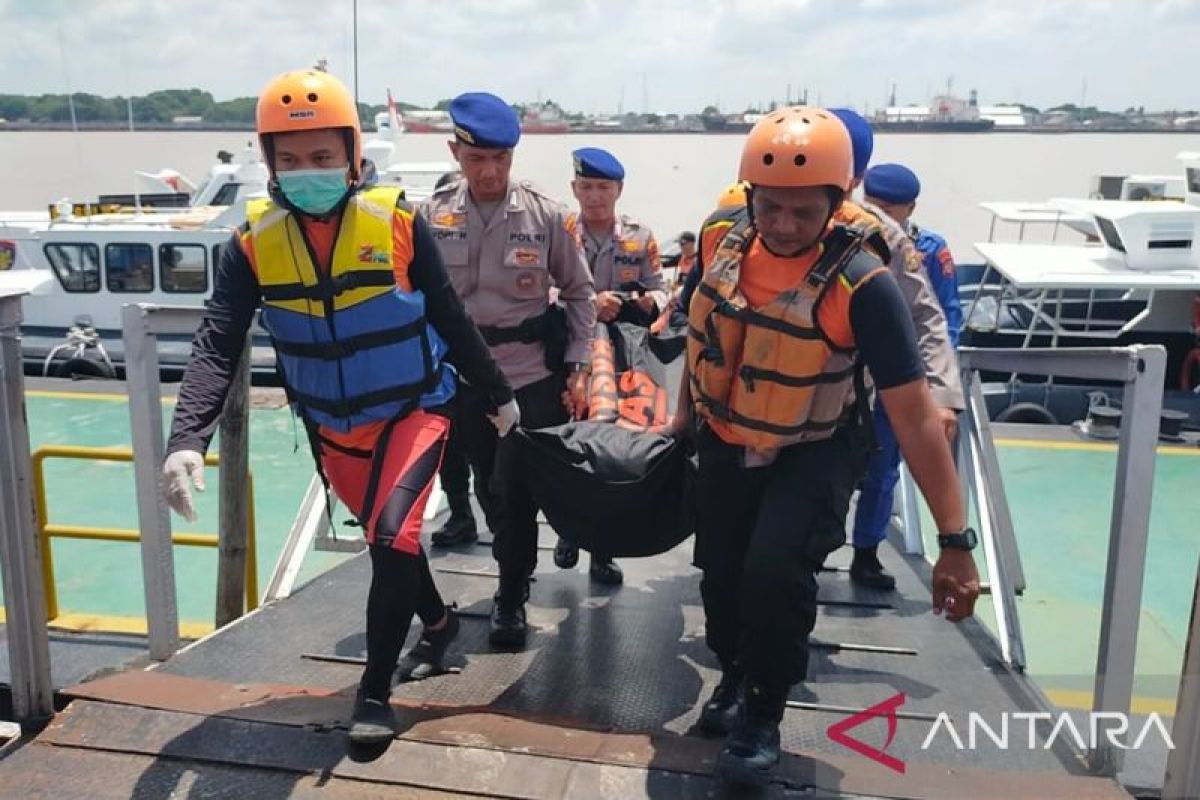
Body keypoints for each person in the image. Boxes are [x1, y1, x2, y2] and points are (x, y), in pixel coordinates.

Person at [160, 70, 517, 745]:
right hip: (333, 427)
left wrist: (498, 395)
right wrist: (186, 438)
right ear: (268, 163)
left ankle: (374, 694)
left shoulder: (402, 222)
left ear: (353, 155)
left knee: (390, 536)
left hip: (415, 408)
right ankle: (438, 626)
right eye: (289, 161)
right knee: (396, 543)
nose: (307, 173)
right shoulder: (250, 246)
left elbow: (450, 316)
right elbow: (216, 343)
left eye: (322, 158)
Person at [669, 107, 980, 787]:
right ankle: (734, 672)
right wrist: (679, 426)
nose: (781, 225)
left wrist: (955, 540)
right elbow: (703, 340)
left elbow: (913, 414)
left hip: (816, 444)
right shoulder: (721, 242)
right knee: (720, 574)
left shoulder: (863, 284)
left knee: (775, 572)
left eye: (802, 213)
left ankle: (762, 712)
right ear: (748, 197)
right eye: (769, 207)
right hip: (726, 436)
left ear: (837, 205)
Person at [419, 92, 596, 648]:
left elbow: (580, 293)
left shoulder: (546, 216)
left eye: (501, 159)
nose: (490, 172)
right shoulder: (433, 213)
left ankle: (511, 595)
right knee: (483, 486)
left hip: (526, 376)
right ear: (455, 152)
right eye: (477, 160)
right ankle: (510, 561)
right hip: (462, 377)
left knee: (514, 487)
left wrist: (578, 365)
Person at [828, 107, 964, 590]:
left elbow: (938, 317)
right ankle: (819, 543)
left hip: (892, 376)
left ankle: (865, 551)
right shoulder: (785, 219)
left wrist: (941, 392)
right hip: (832, 375)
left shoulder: (911, 245)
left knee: (883, 469)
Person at [552, 146, 668, 584]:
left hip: (620, 357)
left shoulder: (640, 237)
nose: (595, 196)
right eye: (587, 187)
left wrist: (636, 301)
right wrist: (584, 302)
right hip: (571, 356)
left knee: (610, 450)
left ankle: (601, 549)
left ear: (618, 190)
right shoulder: (558, 231)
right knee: (570, 446)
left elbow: (662, 291)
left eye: (603, 187)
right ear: (574, 189)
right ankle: (567, 530)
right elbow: (536, 288)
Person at [425, 169, 482, 548]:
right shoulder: (423, 240)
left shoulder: (496, 235)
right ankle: (461, 514)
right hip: (441, 357)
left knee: (493, 448)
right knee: (449, 443)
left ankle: (507, 527)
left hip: (490, 356)